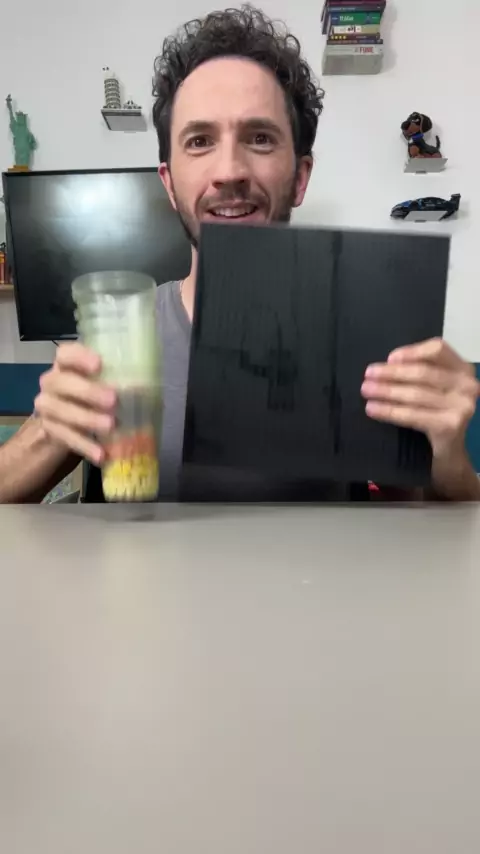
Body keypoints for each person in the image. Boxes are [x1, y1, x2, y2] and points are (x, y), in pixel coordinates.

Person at [0, 5, 479, 503]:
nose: (229, 171)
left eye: (260, 138)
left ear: (300, 177)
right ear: (169, 184)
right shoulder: (120, 336)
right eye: (200, 141)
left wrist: (449, 465)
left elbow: (419, 527)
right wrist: (44, 433)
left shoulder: (367, 339)